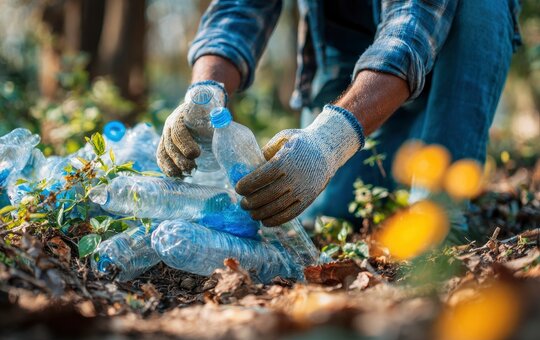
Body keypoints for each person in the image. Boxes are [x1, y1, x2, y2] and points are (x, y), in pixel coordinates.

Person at [157, 0, 522, 228]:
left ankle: (441, 211)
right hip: (355, 99)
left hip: (434, 98)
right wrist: (205, 92)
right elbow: (237, 10)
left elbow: (410, 27)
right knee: (324, 218)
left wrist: (329, 142)